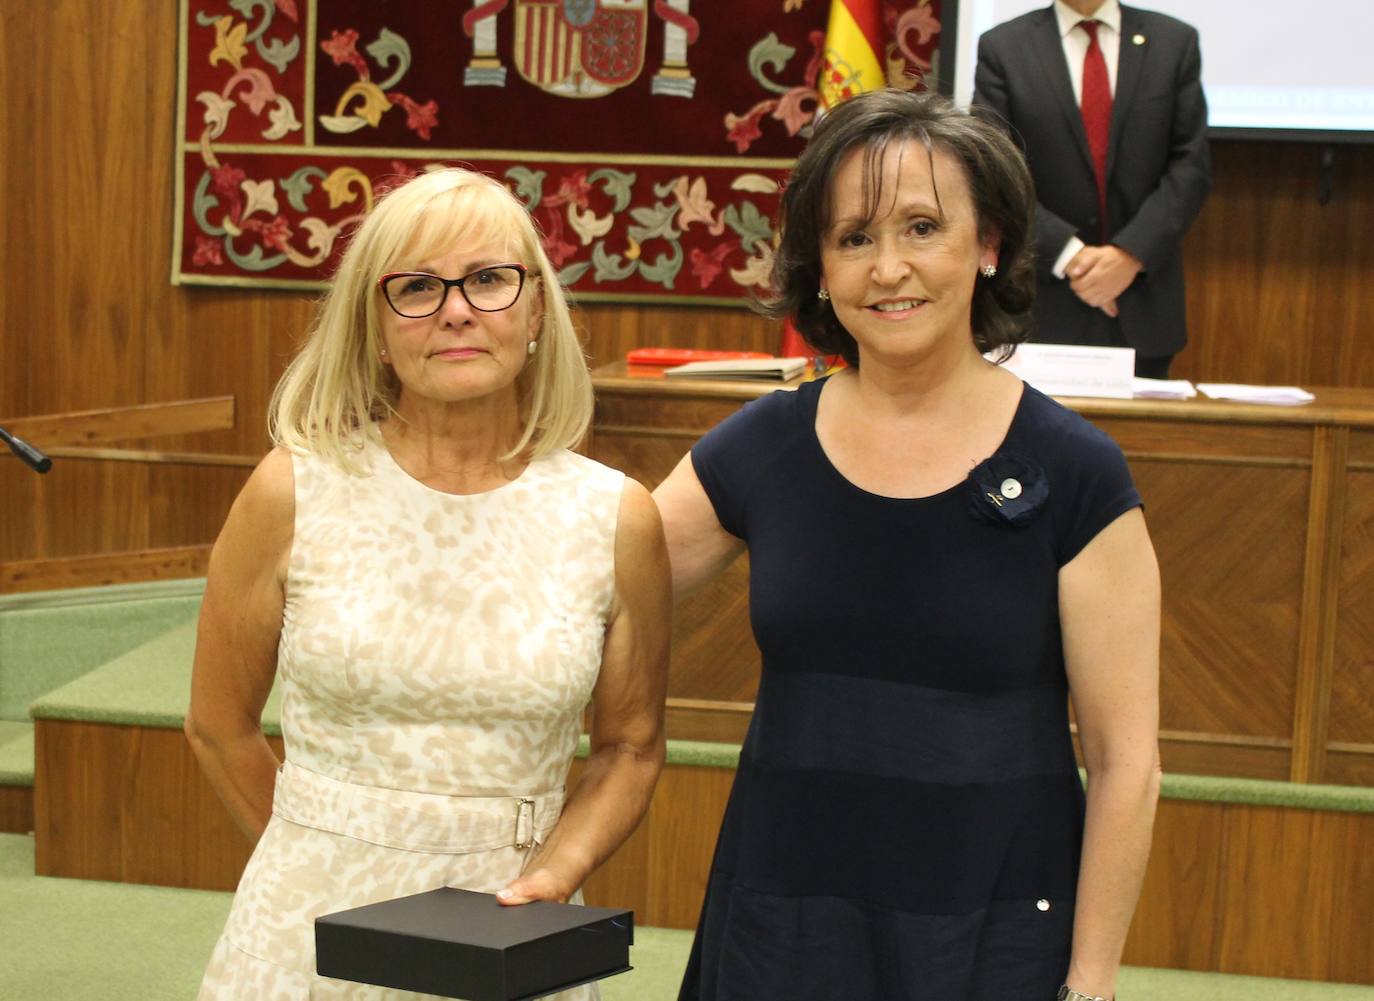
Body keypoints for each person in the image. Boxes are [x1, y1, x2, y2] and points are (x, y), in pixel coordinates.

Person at [653, 90, 1162, 1001]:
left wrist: (1091, 978)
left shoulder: (1076, 469)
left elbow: (1127, 762)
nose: (889, 268)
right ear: (820, 267)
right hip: (783, 925)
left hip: (994, 934)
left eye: (922, 227)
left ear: (990, 243)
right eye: (853, 238)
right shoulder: (761, 447)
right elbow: (594, 582)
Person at [185, 167, 670, 999]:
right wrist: (319, 850)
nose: (455, 309)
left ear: (535, 317)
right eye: (415, 286)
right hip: (306, 934)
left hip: (512, 924)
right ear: (374, 328)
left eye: (488, 279)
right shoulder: (290, 489)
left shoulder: (614, 517)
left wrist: (554, 874)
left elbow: (630, 745)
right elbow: (217, 723)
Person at [973, 0, 1211, 379]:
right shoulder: (1004, 47)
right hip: (1039, 306)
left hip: (1141, 305)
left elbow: (1191, 166)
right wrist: (1072, 257)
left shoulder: (1173, 42)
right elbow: (994, 174)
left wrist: (1130, 254)